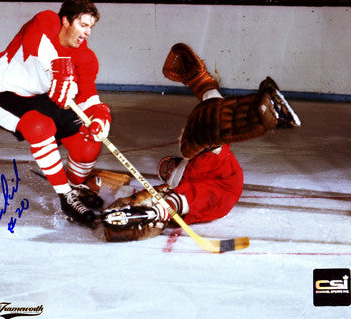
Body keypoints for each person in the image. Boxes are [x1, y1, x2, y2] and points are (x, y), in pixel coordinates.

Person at [102, 43, 301, 242]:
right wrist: (136, 207)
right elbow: (180, 198)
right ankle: (265, 113)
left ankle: (210, 85)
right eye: (166, 170)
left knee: (210, 122)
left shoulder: (186, 166)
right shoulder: (174, 186)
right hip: (221, 189)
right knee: (208, 133)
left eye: (168, 165)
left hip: (218, 171)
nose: (167, 170)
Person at [0, 0, 111, 227]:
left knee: (89, 144)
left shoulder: (85, 57)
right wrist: (58, 66)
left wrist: (100, 119)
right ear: (66, 21)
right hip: (1, 91)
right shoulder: (48, 20)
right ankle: (65, 196)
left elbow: (89, 95)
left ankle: (75, 186)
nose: (88, 32)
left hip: (40, 96)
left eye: (91, 27)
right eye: (83, 24)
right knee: (41, 127)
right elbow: (33, 42)